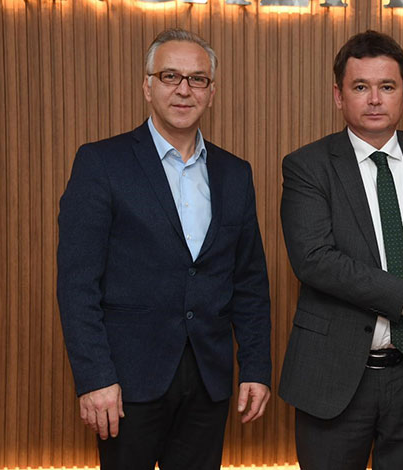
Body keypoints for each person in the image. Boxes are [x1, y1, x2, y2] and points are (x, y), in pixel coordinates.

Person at [57, 28, 272, 470]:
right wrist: (95, 378)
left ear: (211, 92)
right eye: (170, 76)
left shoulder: (235, 173)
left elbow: (249, 282)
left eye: (197, 79)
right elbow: (77, 284)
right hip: (126, 384)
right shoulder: (101, 163)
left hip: (209, 380)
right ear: (147, 86)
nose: (184, 89)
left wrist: (255, 368)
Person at [278, 30, 403, 470]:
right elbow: (315, 260)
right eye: (360, 87)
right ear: (338, 95)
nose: (374, 100)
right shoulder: (307, 166)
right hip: (334, 374)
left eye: (387, 87)